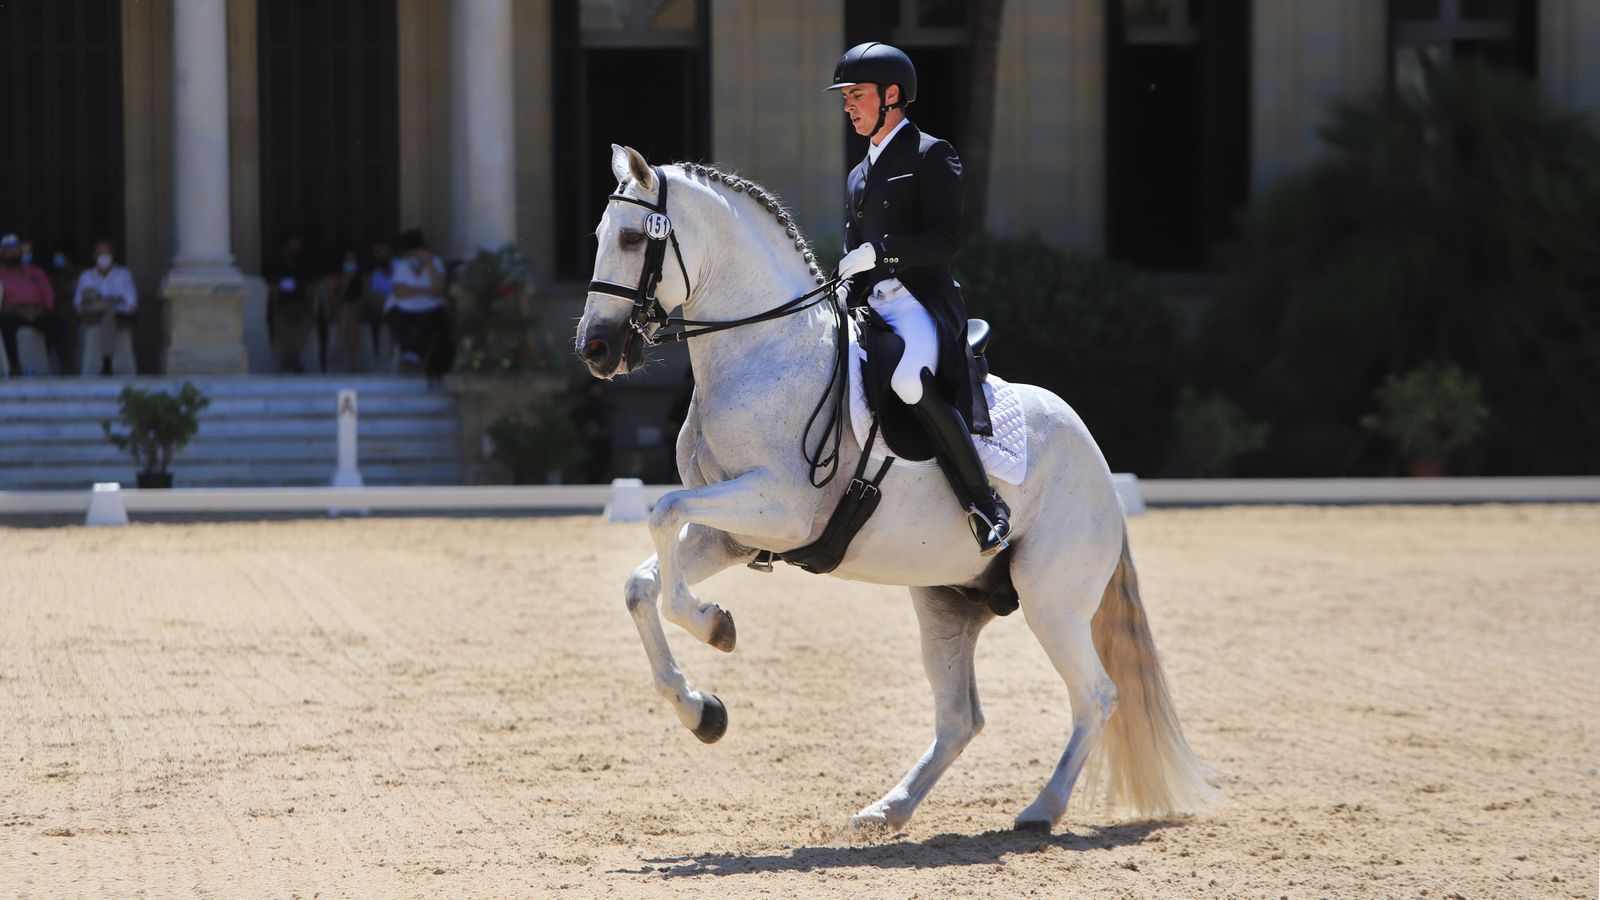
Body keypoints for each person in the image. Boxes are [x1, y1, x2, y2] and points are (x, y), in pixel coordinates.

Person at [825, 42, 1011, 556]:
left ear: (892, 95)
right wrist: (841, 285)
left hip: (918, 303)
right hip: (872, 305)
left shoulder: (931, 154)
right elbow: (852, 251)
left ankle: (984, 503)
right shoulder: (857, 174)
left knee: (909, 379)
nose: (848, 106)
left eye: (857, 95)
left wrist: (882, 252)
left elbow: (946, 240)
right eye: (845, 97)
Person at [0, 233, 74, 376]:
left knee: (59, 320)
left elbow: (49, 295)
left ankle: (66, 365)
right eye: (9, 251)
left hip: (37, 311)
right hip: (12, 313)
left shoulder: (36, 272)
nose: (13, 254)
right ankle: (15, 365)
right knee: (4, 321)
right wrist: (17, 310)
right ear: (3, 254)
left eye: (16, 250)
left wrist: (41, 309)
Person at [385, 228, 451, 379]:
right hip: (403, 306)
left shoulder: (436, 263)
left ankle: (413, 356)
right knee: (397, 319)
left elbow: (439, 290)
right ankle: (410, 354)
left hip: (431, 307)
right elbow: (399, 291)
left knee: (431, 321)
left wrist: (429, 264)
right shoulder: (402, 265)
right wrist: (427, 291)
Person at [73, 240, 138, 375]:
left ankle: (108, 361)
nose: (103, 257)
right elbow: (78, 303)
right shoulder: (86, 276)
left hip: (118, 318)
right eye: (100, 253)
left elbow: (131, 303)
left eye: (106, 253)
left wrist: (107, 303)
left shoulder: (124, 275)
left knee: (109, 316)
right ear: (94, 256)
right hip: (93, 317)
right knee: (101, 316)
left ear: (112, 255)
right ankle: (98, 366)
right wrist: (108, 301)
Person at [267, 235, 315, 372]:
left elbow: (309, 289)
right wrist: (277, 308)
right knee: (281, 322)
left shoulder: (304, 266)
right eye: (293, 245)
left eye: (297, 245)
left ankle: (293, 357)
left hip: (301, 305)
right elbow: (275, 289)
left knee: (305, 322)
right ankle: (291, 358)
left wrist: (305, 308)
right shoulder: (278, 265)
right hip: (283, 306)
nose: (295, 248)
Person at [320, 246, 367, 372]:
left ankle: (338, 349)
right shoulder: (334, 279)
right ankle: (356, 364)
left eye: (353, 259)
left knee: (350, 311)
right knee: (347, 311)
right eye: (348, 259)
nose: (350, 262)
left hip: (357, 311)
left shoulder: (362, 277)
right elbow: (333, 304)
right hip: (338, 311)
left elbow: (364, 299)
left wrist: (355, 305)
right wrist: (345, 285)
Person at [365, 239, 395, 360]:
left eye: (381, 249)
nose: (379, 254)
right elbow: (372, 296)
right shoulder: (375, 274)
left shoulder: (401, 265)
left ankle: (395, 354)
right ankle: (377, 353)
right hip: (383, 308)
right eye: (376, 252)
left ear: (389, 249)